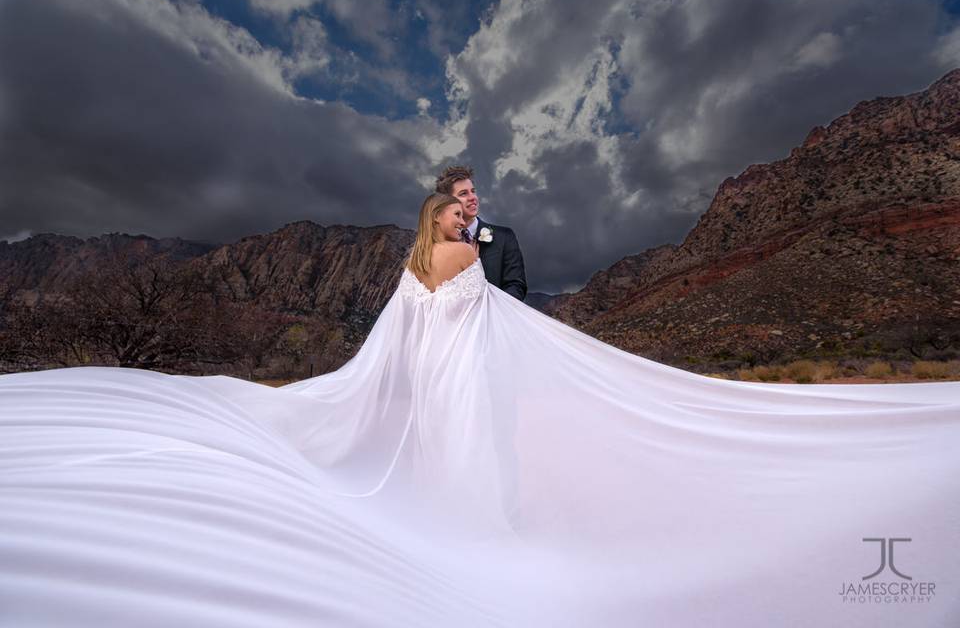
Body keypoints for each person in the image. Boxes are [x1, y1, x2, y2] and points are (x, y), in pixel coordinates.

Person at [1, 191, 959, 627]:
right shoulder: (463, 253)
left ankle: (476, 532)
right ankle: (484, 555)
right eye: (460, 199)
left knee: (468, 458)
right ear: (441, 212)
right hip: (466, 370)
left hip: (452, 372)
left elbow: (424, 323)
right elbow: (512, 287)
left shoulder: (415, 263)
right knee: (476, 460)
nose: (471, 207)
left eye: (473, 199)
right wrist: (494, 239)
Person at [435, 165, 527, 301]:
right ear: (447, 203)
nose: (472, 197)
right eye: (463, 194)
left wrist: (490, 313)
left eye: (473, 191)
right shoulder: (438, 245)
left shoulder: (504, 237)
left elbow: (516, 286)